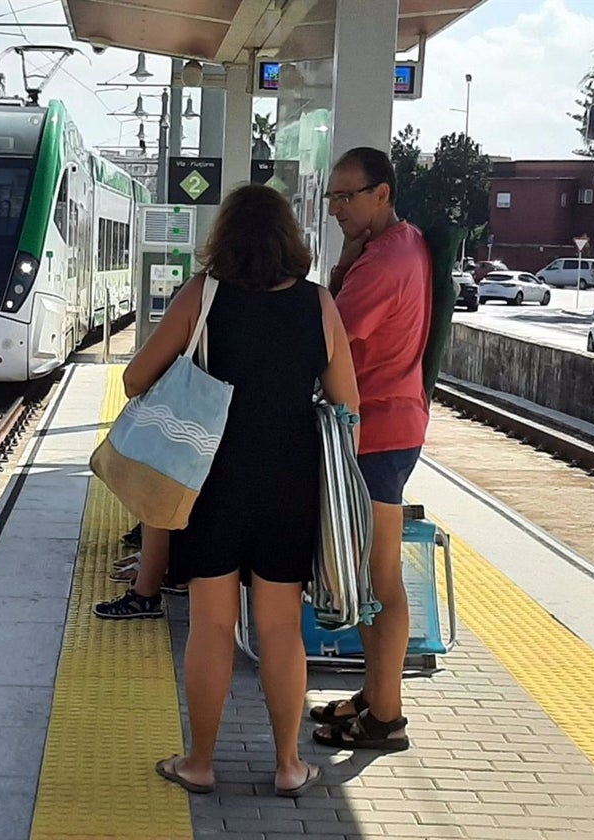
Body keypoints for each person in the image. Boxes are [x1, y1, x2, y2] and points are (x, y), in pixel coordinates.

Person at [123, 184, 360, 797]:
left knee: (211, 625)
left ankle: (199, 762)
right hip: (290, 481)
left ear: (224, 238)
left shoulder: (204, 296)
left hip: (210, 481)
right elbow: (347, 403)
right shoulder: (318, 304)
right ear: (291, 241)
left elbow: (133, 379)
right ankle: (288, 766)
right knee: (281, 628)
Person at [309, 147, 433, 752]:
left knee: (380, 580)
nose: (336, 208)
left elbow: (326, 335)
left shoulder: (383, 263)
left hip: (378, 435)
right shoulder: (394, 247)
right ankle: (375, 691)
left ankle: (386, 718)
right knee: (367, 575)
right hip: (389, 427)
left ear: (381, 194)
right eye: (332, 197)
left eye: (347, 196)